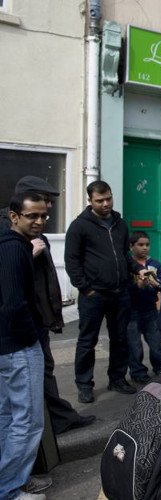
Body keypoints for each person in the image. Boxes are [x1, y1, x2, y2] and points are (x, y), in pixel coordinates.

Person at [0, 177, 96, 436]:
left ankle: (59, 418)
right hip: (20, 327)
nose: (47, 210)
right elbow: (11, 285)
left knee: (43, 371)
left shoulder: (33, 226)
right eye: (44, 201)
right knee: (28, 386)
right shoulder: (11, 232)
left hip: (37, 315)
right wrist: (28, 254)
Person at [65, 180, 146, 403]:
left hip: (120, 293)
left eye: (108, 198)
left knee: (120, 338)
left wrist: (138, 270)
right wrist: (85, 288)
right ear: (90, 201)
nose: (106, 204)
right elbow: (71, 260)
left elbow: (124, 256)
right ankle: (84, 385)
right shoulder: (79, 226)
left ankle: (117, 379)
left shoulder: (120, 223)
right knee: (87, 341)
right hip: (94, 295)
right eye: (100, 200)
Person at [0, 192, 49, 500]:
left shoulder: (10, 246)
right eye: (32, 216)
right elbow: (14, 304)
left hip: (7, 347)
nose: (40, 221)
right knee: (27, 421)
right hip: (18, 347)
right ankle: (9, 488)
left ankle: (9, 480)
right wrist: (31, 337)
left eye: (43, 215)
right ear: (14, 216)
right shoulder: (15, 251)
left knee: (7, 415)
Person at [127, 231, 161, 384]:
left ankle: (160, 368)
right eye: (140, 245)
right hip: (132, 311)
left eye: (147, 245)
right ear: (131, 246)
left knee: (156, 342)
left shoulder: (155, 264)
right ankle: (138, 373)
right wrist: (137, 285)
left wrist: (157, 284)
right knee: (134, 345)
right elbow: (124, 288)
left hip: (150, 309)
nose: (145, 248)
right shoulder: (128, 264)